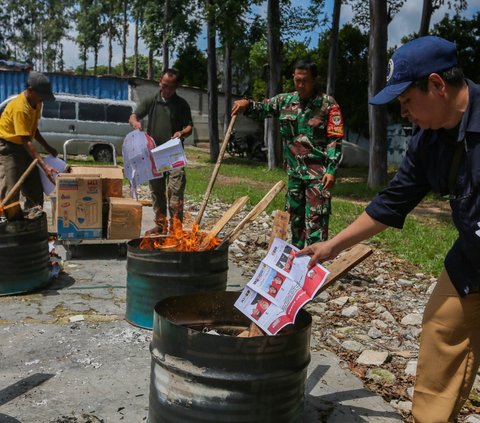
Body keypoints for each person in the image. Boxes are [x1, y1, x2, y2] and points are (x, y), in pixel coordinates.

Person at [298, 36, 480, 423]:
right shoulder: (427, 140)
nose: (404, 113)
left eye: (407, 101)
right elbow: (391, 203)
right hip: (472, 258)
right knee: (440, 328)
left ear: (436, 85)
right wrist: (331, 246)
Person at [232, 59, 344, 249]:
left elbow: (335, 139)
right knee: (296, 221)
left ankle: (314, 266)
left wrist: (332, 170)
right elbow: (264, 107)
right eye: (297, 80)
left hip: (318, 175)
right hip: (294, 174)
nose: (300, 85)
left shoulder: (328, 105)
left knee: (316, 222)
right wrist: (247, 104)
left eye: (305, 81)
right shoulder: (286, 101)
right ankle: (297, 260)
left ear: (315, 79)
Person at [129, 68, 193, 233]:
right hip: (153, 154)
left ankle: (176, 228)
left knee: (176, 191)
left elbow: (189, 127)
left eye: (171, 87)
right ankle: (160, 225)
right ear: (160, 82)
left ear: (176, 86)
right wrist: (136, 124)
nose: (167, 90)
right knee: (157, 191)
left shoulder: (181, 104)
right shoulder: (152, 100)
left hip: (173, 153)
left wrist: (182, 133)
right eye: (164, 86)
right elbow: (134, 116)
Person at [0, 72, 58, 208]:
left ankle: (34, 215)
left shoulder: (37, 104)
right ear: (30, 90)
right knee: (11, 188)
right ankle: (6, 221)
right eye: (41, 96)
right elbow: (25, 140)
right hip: (9, 148)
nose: (42, 100)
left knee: (34, 188)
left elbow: (33, 130)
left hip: (23, 146)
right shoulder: (20, 108)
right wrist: (45, 166)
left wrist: (47, 147)